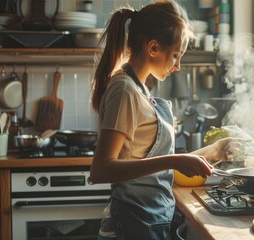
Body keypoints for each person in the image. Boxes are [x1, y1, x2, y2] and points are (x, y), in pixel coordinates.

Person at [89, 1, 242, 239]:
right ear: (153, 47)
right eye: (175, 56)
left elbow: (150, 161)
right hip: (132, 223)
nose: (178, 66)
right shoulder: (125, 90)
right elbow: (100, 170)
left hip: (149, 218)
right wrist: (172, 160)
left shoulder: (138, 90)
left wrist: (216, 151)